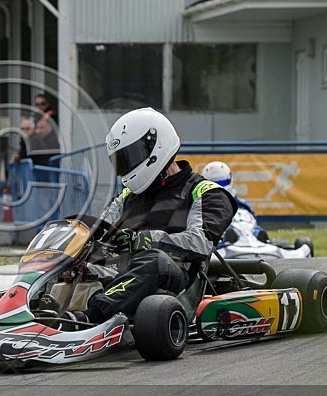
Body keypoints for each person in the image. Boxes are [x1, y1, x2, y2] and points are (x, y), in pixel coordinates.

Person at [78, 107, 236, 323]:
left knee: (153, 260)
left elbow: (200, 243)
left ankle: (91, 318)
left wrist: (144, 240)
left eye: (131, 157)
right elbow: (101, 230)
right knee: (70, 262)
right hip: (119, 272)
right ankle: (40, 313)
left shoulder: (205, 192)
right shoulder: (127, 196)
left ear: (156, 145)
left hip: (173, 282)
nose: (127, 166)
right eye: (122, 160)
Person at [201, 160, 270, 244]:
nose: (220, 186)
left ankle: (259, 240)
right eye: (215, 183)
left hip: (247, 231)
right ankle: (230, 240)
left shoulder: (243, 205)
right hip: (223, 239)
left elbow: (253, 221)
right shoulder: (202, 206)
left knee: (258, 231)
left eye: (222, 182)